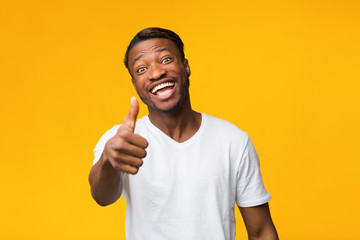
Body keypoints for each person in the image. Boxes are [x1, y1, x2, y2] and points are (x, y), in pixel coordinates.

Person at [89, 27, 279, 240]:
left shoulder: (232, 140)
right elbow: (101, 197)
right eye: (141, 69)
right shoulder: (120, 141)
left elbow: (261, 231)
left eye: (166, 59)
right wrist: (108, 159)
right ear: (135, 84)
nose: (156, 73)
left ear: (186, 66)